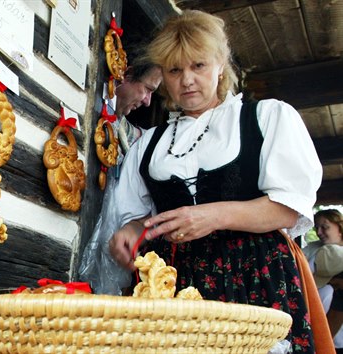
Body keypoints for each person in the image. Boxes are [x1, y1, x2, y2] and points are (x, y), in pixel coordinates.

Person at [108, 10, 323, 353]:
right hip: (174, 283)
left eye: (199, 66)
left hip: (253, 275)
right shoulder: (148, 144)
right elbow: (139, 218)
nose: (187, 80)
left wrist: (214, 215)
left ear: (221, 65)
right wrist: (131, 234)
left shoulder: (266, 118)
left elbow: (288, 208)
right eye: (175, 70)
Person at [78, 59, 161, 295]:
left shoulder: (130, 133)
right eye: (147, 89)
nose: (147, 101)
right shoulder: (98, 112)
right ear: (127, 74)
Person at [304, 209, 343, 351]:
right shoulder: (314, 249)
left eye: (325, 227)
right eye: (317, 227)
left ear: (339, 226)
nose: (319, 232)